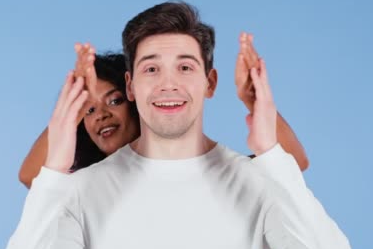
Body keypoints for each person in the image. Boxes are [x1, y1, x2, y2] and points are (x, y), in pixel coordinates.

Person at [0, 1, 352, 249]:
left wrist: (269, 151)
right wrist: (56, 166)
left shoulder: (255, 180)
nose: (168, 83)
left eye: (184, 67)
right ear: (132, 86)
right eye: (152, 68)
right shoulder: (84, 188)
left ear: (209, 83)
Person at [18, 36, 309, 188]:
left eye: (115, 100)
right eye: (89, 110)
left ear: (136, 100)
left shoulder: (207, 169)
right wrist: (73, 107)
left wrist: (255, 101)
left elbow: (290, 164)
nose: (101, 115)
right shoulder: (92, 184)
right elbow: (33, 176)